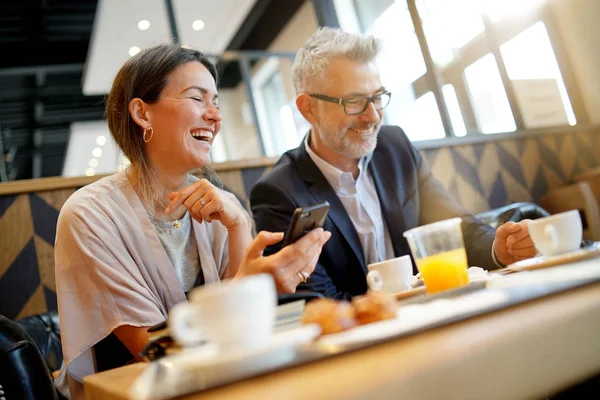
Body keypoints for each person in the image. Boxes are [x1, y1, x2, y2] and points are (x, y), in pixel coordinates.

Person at [53, 43, 330, 399]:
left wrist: (239, 229)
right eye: (197, 99)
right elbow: (153, 350)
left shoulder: (218, 203)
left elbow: (245, 337)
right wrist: (252, 284)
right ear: (142, 113)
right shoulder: (90, 215)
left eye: (215, 102)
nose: (215, 116)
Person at [250, 27, 537, 300]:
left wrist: (499, 248)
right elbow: (316, 299)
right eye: (354, 102)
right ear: (308, 108)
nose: (373, 116)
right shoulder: (279, 192)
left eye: (377, 98)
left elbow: (453, 224)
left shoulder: (394, 146)